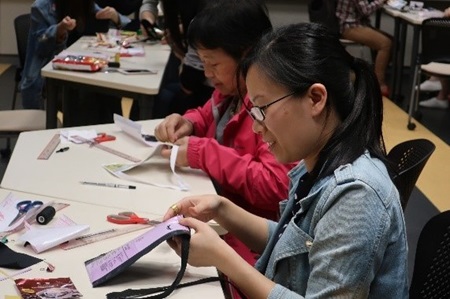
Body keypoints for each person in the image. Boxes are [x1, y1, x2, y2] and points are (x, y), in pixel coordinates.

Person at [163, 23, 408, 298]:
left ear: (315, 98)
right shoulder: (317, 161)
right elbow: (292, 242)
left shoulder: (357, 194)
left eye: (262, 108)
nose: (256, 126)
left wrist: (223, 259)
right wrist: (222, 209)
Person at [154, 0, 295, 267]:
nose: (207, 73)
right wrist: (189, 122)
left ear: (247, 55)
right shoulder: (232, 91)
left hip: (252, 241)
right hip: (220, 217)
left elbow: (276, 186)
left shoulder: (270, 106)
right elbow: (210, 113)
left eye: (214, 64)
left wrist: (202, 152)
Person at [21, 0, 129, 110]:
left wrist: (116, 17)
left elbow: (126, 24)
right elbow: (40, 47)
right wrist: (59, 30)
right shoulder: (41, 7)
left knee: (108, 93)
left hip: (81, 67)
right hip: (50, 79)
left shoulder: (86, 4)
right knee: (89, 97)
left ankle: (107, 125)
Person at [336, 0, 392, 97]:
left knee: (391, 41)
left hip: (357, 24)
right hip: (350, 27)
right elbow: (365, 10)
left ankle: (374, 78)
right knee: (385, 44)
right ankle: (378, 85)